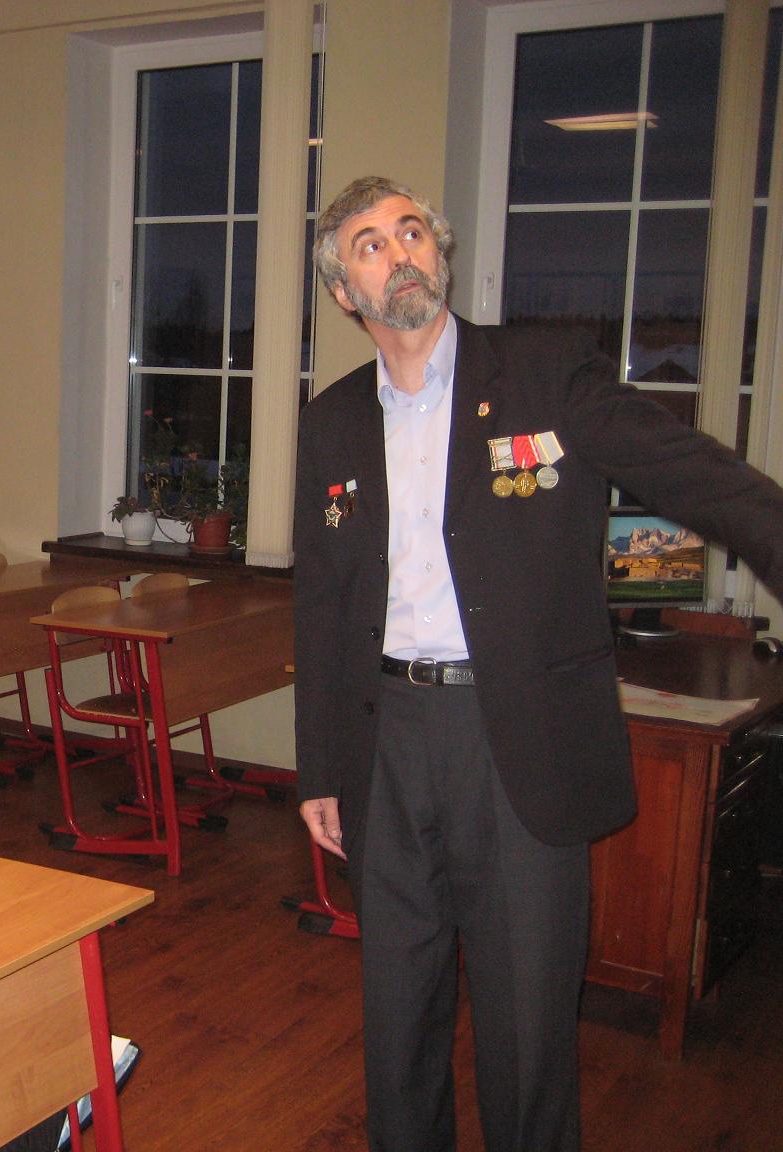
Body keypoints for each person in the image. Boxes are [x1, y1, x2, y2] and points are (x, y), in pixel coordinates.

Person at [293, 175, 783, 1152]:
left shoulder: (545, 374)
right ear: (345, 292)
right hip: (388, 741)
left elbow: (693, 472)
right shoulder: (333, 420)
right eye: (369, 244)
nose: (399, 253)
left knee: (526, 1029)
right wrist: (321, 769)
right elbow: (323, 602)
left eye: (411, 231)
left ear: (440, 251)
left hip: (515, 737)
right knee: (398, 1017)